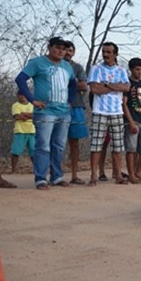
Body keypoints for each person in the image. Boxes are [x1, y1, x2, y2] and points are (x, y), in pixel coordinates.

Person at [16, 37, 78, 189]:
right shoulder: (37, 62)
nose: (60, 51)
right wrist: (32, 100)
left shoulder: (67, 66)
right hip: (45, 111)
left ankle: (57, 177)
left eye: (63, 49)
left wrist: (70, 101)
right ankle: (41, 179)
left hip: (64, 111)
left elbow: (73, 84)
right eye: (57, 48)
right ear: (49, 47)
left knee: (59, 146)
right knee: (43, 146)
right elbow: (20, 79)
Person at [87, 42, 131, 186]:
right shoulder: (96, 69)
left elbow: (126, 87)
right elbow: (94, 89)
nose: (106, 54)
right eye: (104, 52)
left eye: (109, 52)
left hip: (117, 112)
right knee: (96, 146)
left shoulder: (121, 70)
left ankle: (118, 175)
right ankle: (94, 175)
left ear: (115, 54)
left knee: (118, 146)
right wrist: (114, 87)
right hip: (99, 111)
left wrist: (105, 85)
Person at [123, 58, 141, 183]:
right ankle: (131, 175)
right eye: (137, 69)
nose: (140, 72)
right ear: (131, 69)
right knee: (131, 149)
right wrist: (130, 122)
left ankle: (137, 172)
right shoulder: (127, 83)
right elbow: (123, 104)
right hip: (132, 120)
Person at [64, 41, 90, 184]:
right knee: (56, 142)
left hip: (76, 106)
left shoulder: (77, 67)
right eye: (65, 49)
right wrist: (74, 82)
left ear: (73, 52)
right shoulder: (54, 66)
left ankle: (74, 175)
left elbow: (84, 86)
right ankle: (56, 174)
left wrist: (67, 82)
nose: (67, 52)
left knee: (74, 143)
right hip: (57, 106)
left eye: (70, 50)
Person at [10, 94, 35, 174]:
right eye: (20, 95)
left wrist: (24, 114)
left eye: (24, 95)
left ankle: (37, 169)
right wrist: (28, 115)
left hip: (32, 131)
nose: (22, 97)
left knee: (34, 152)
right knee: (16, 151)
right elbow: (17, 116)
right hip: (20, 131)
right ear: (18, 96)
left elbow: (35, 116)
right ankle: (13, 170)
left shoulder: (32, 105)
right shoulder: (15, 105)